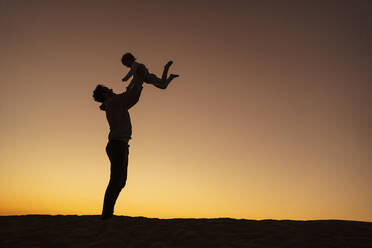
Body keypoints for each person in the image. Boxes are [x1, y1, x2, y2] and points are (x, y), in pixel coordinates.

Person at [92, 65, 146, 220]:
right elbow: (132, 96)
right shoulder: (114, 102)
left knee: (120, 180)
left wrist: (136, 81)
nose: (111, 88)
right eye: (107, 88)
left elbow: (128, 96)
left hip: (119, 145)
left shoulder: (114, 103)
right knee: (117, 180)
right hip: (117, 145)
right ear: (104, 93)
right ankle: (107, 215)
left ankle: (108, 213)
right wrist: (140, 78)